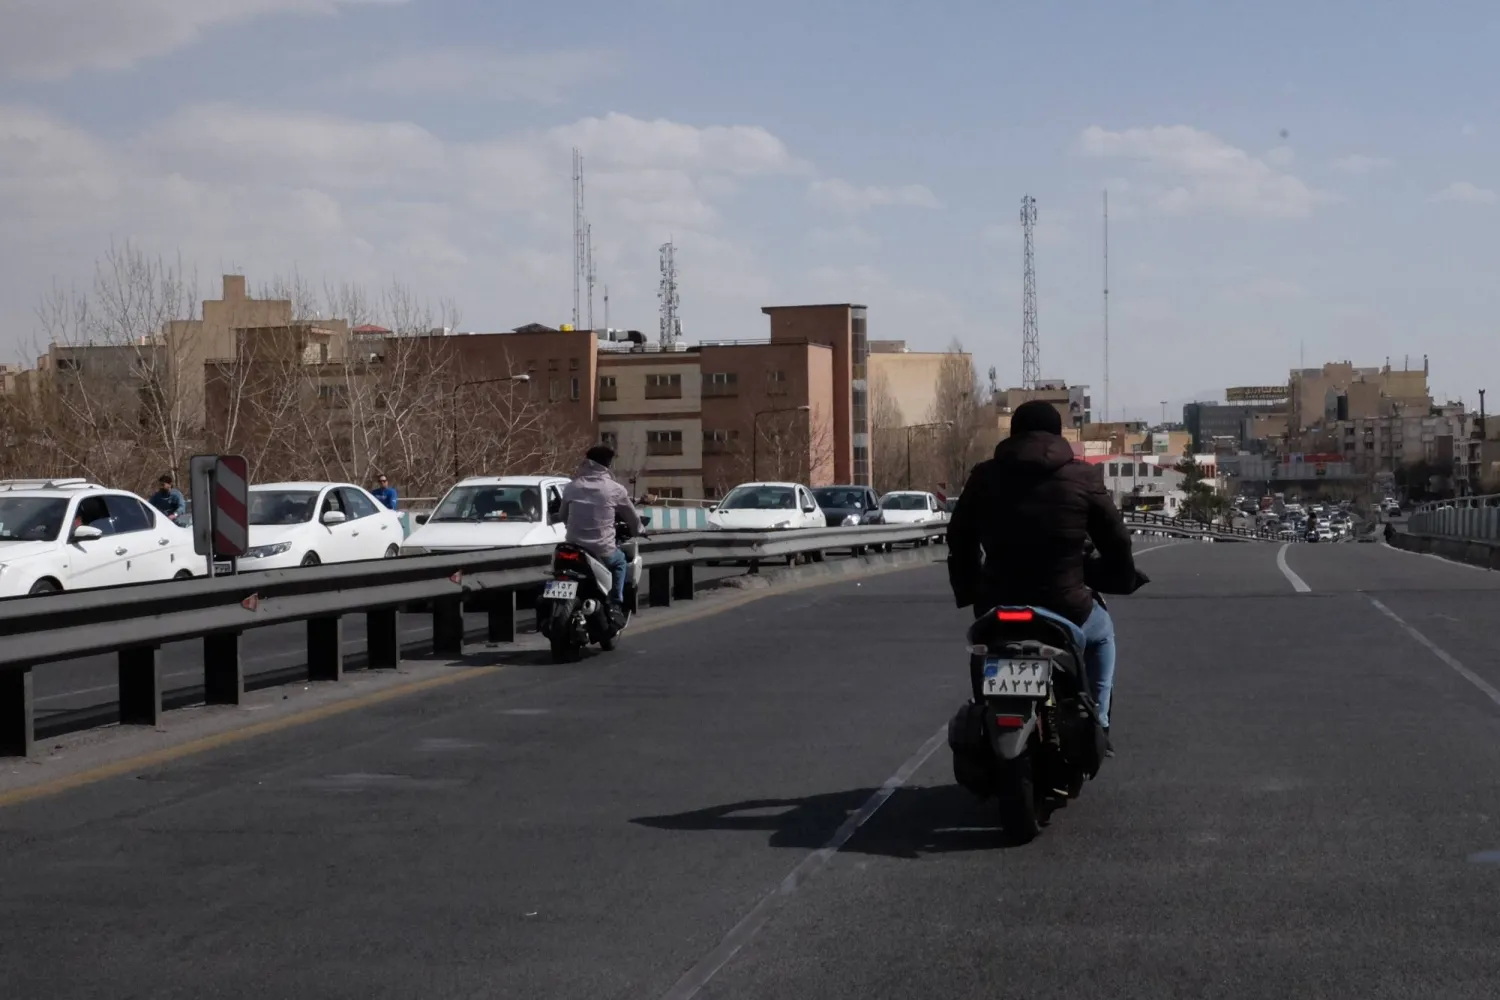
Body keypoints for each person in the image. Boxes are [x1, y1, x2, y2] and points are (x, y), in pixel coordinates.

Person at [946, 400, 1141, 747]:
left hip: (997, 602)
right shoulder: (1082, 475)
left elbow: (959, 537)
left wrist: (970, 589)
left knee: (983, 650)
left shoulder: (984, 476)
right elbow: (1116, 537)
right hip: (1067, 603)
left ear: (1013, 434)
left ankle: (988, 709)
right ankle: (1099, 720)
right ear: (1058, 434)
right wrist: (1119, 577)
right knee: (1101, 636)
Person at [559, 444, 643, 626]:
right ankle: (615, 604)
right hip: (601, 550)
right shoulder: (615, 489)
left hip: (572, 547)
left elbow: (562, 516)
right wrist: (639, 530)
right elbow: (632, 517)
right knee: (620, 562)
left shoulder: (571, 487)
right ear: (608, 464)